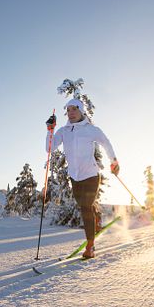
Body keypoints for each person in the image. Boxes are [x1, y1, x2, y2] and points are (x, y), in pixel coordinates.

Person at [45, 99, 119, 258]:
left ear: (81, 111)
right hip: (75, 176)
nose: (70, 113)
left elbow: (106, 143)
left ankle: (90, 246)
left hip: (91, 174)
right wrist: (50, 130)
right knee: (84, 206)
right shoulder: (64, 131)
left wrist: (114, 161)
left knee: (85, 207)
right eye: (69, 110)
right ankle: (96, 216)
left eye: (74, 109)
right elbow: (49, 148)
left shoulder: (91, 129)